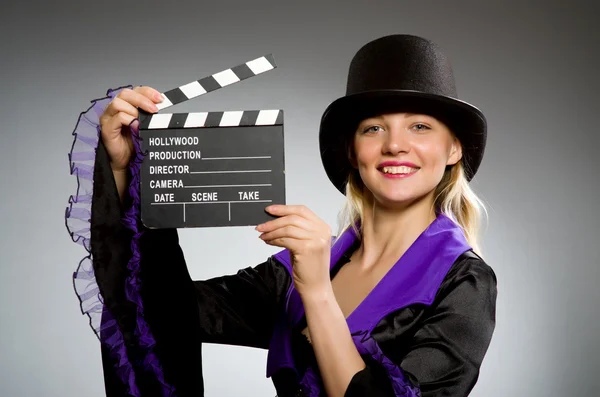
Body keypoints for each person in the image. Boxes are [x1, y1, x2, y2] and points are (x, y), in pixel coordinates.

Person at [66, 34, 497, 397]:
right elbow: (162, 311)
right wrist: (127, 170)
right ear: (353, 150)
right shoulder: (299, 265)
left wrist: (317, 290)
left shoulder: (464, 284)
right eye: (374, 128)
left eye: (420, 126)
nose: (395, 145)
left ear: (453, 148)